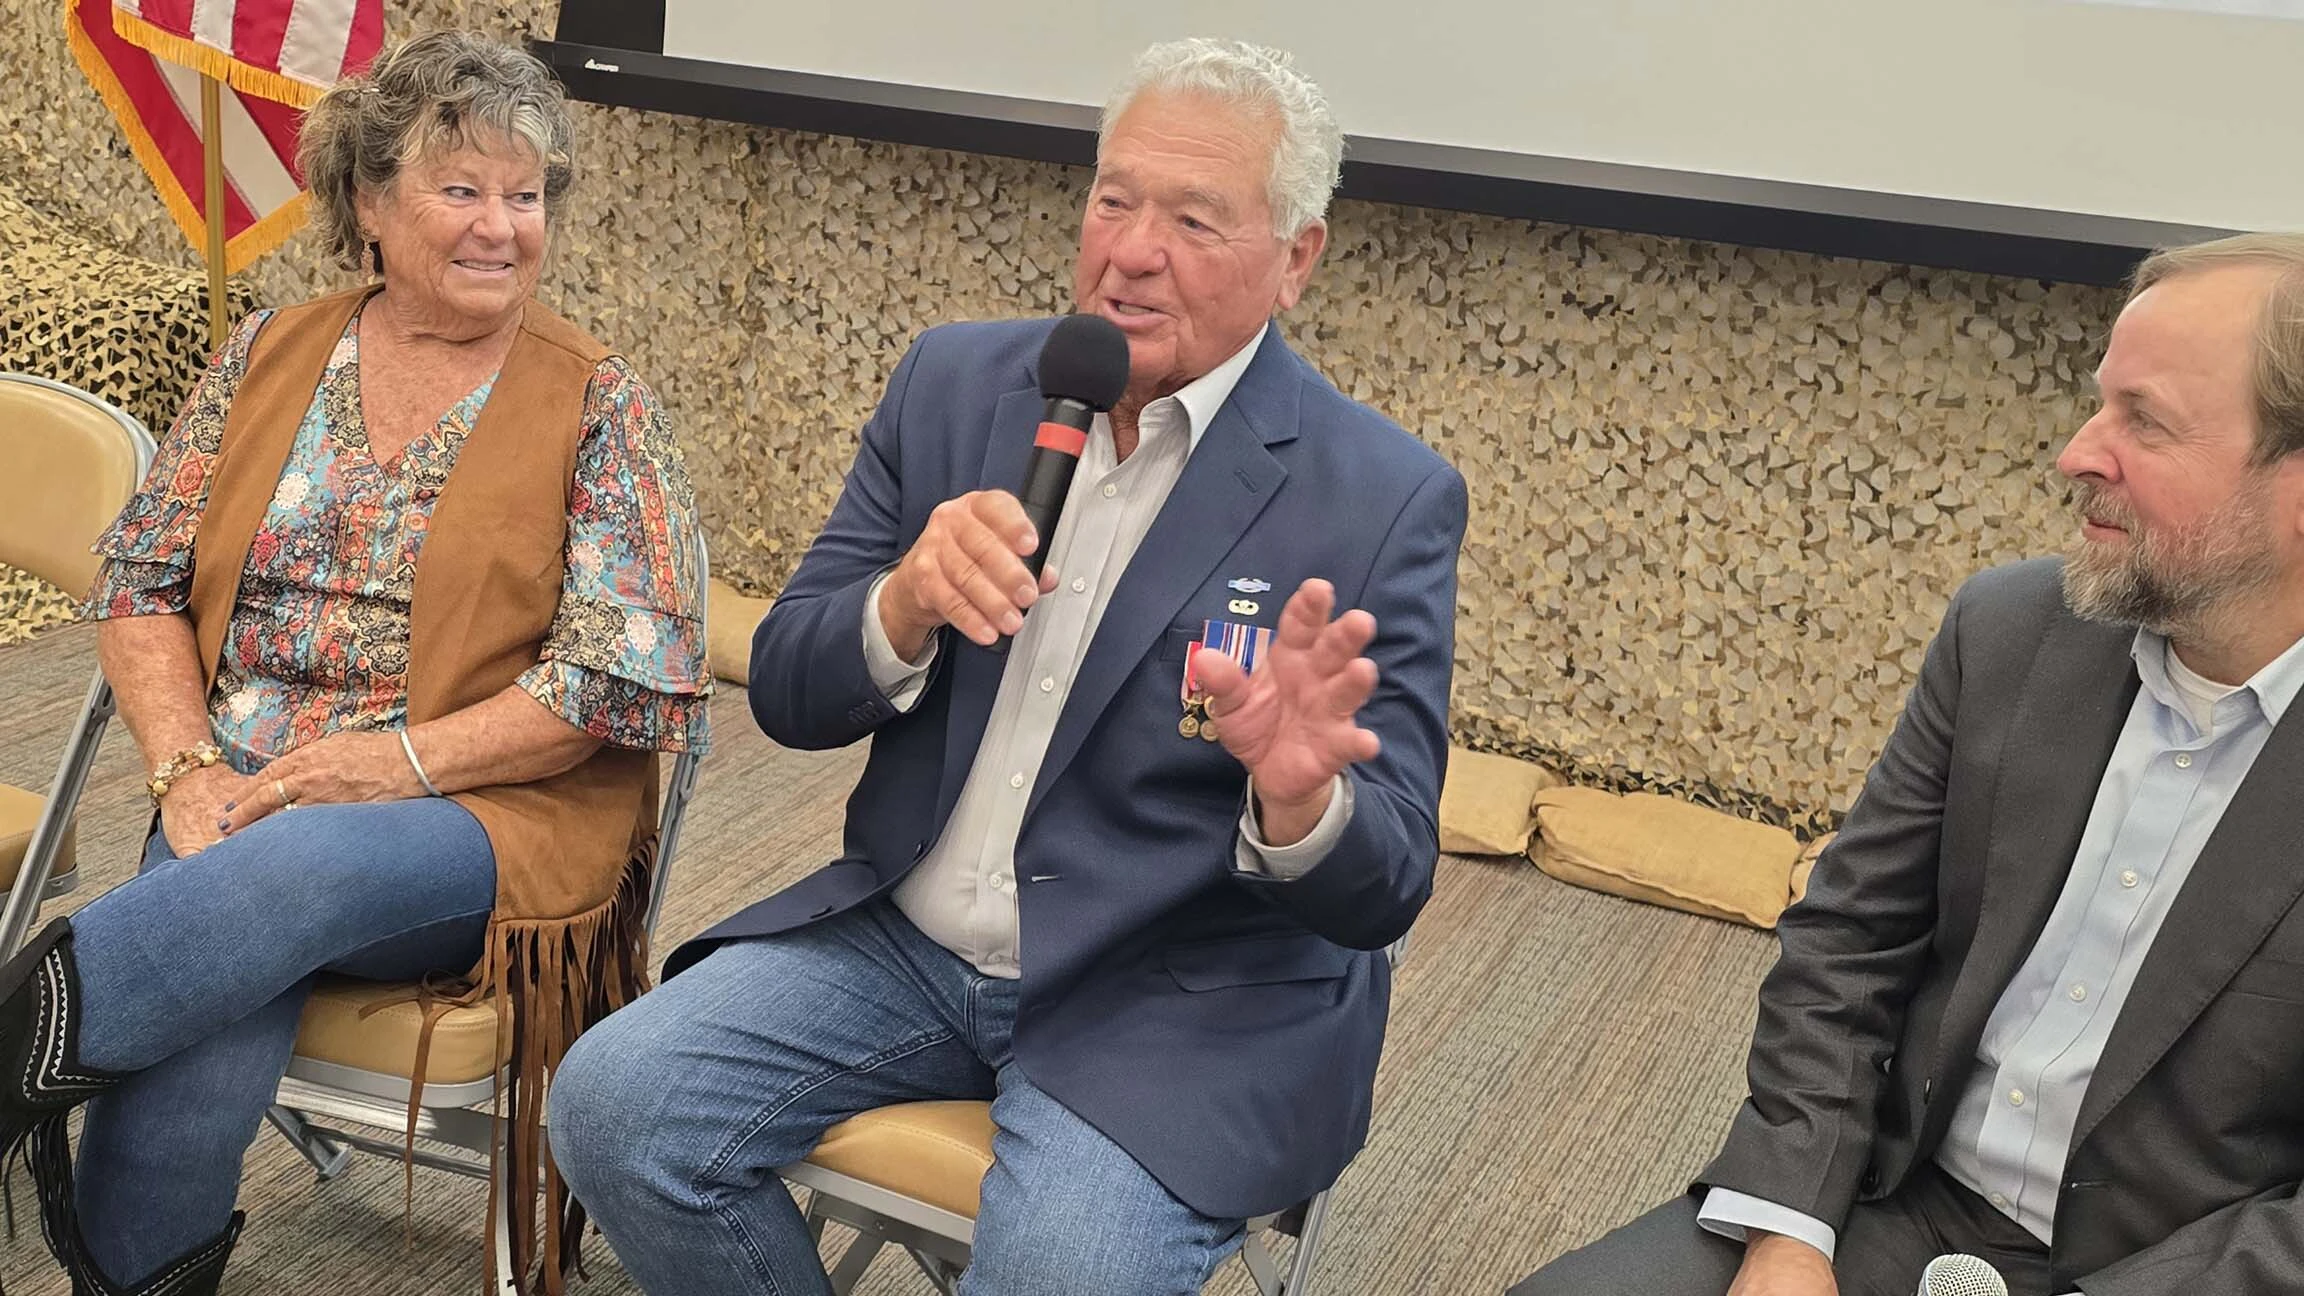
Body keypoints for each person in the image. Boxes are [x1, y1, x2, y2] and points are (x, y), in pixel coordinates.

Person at [548, 36, 1467, 1296]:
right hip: (906, 944)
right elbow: (792, 689)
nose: (1130, 251)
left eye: (1193, 220)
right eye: (1112, 198)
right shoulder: (958, 382)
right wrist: (904, 606)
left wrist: (1302, 802)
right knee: (614, 1105)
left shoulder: (1381, 497)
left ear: (1296, 257)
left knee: (1056, 1272)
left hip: (1170, 998)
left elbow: (1389, 880)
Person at [0, 31, 709, 1296]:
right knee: (191, 1052)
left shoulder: (600, 403)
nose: (503, 227)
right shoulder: (269, 351)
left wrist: (379, 767)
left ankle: (12, 1047)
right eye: (463, 189)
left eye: (527, 194)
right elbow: (141, 582)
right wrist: (183, 771)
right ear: (371, 205)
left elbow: (618, 680)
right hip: (242, 796)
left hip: (481, 816)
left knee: (293, 861)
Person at [1512, 233, 2304, 1296]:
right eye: (2098, 402)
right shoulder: (2013, 632)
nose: (2077, 451)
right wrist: (1791, 1233)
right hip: (1887, 1200)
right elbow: (1848, 943)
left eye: (2144, 422)